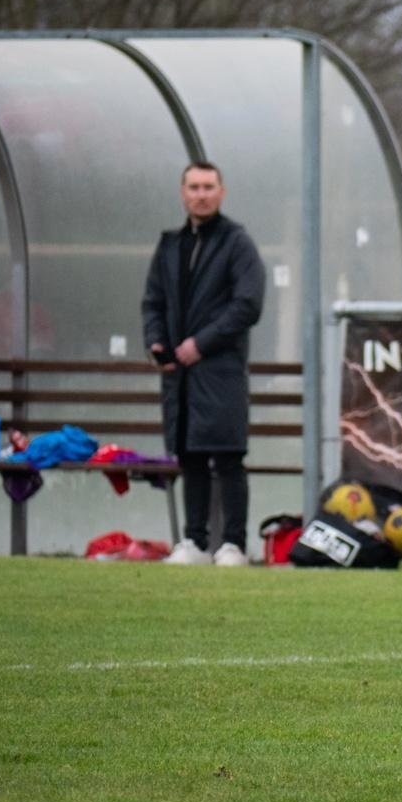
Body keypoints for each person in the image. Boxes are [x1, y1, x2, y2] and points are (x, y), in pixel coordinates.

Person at [143, 162, 266, 567]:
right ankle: (193, 542)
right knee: (189, 456)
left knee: (228, 456)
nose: (201, 194)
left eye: (209, 186)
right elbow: (153, 302)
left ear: (222, 192)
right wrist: (156, 341)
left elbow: (248, 304)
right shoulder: (170, 245)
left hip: (221, 370)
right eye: (193, 187)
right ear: (182, 193)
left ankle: (232, 543)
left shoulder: (237, 243)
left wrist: (202, 343)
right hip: (179, 374)